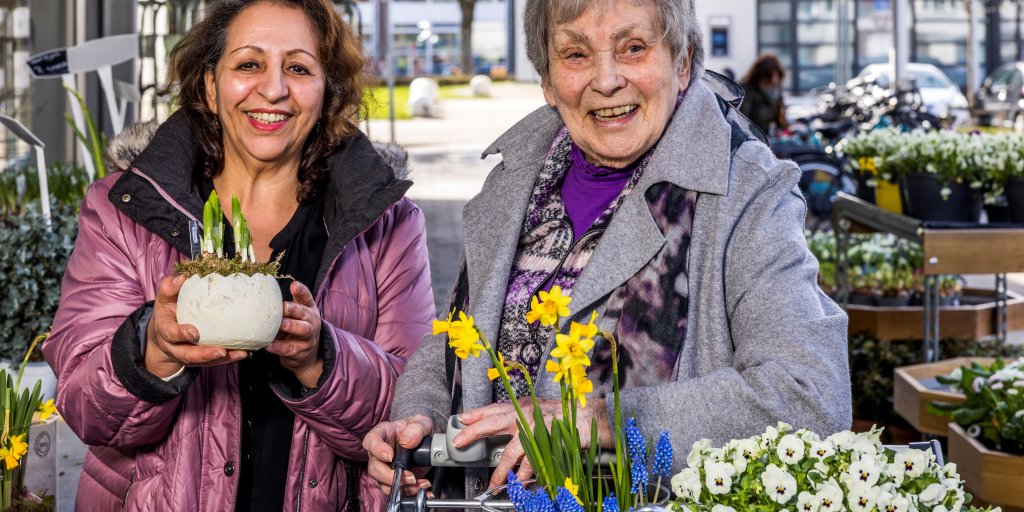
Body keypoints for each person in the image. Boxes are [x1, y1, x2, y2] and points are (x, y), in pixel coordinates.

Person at [364, 0, 851, 501]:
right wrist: (417, 419)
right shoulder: (512, 185)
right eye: (576, 54)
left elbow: (810, 396)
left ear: (682, 63)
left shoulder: (745, 189)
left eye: (633, 48)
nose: (607, 79)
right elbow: (454, 340)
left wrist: (600, 419)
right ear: (548, 81)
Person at [43, 0, 434, 510]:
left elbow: (415, 412)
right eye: (249, 64)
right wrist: (153, 349)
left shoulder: (388, 223)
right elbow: (84, 408)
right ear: (209, 85)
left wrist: (320, 359)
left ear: (327, 92)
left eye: (298, 68)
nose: (272, 89)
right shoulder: (125, 209)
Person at [739, 53, 789, 136]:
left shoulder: (777, 92)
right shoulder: (746, 91)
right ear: (760, 77)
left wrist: (780, 130)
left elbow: (780, 120)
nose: (772, 85)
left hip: (766, 138)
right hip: (749, 140)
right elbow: (741, 120)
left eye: (775, 82)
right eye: (769, 80)